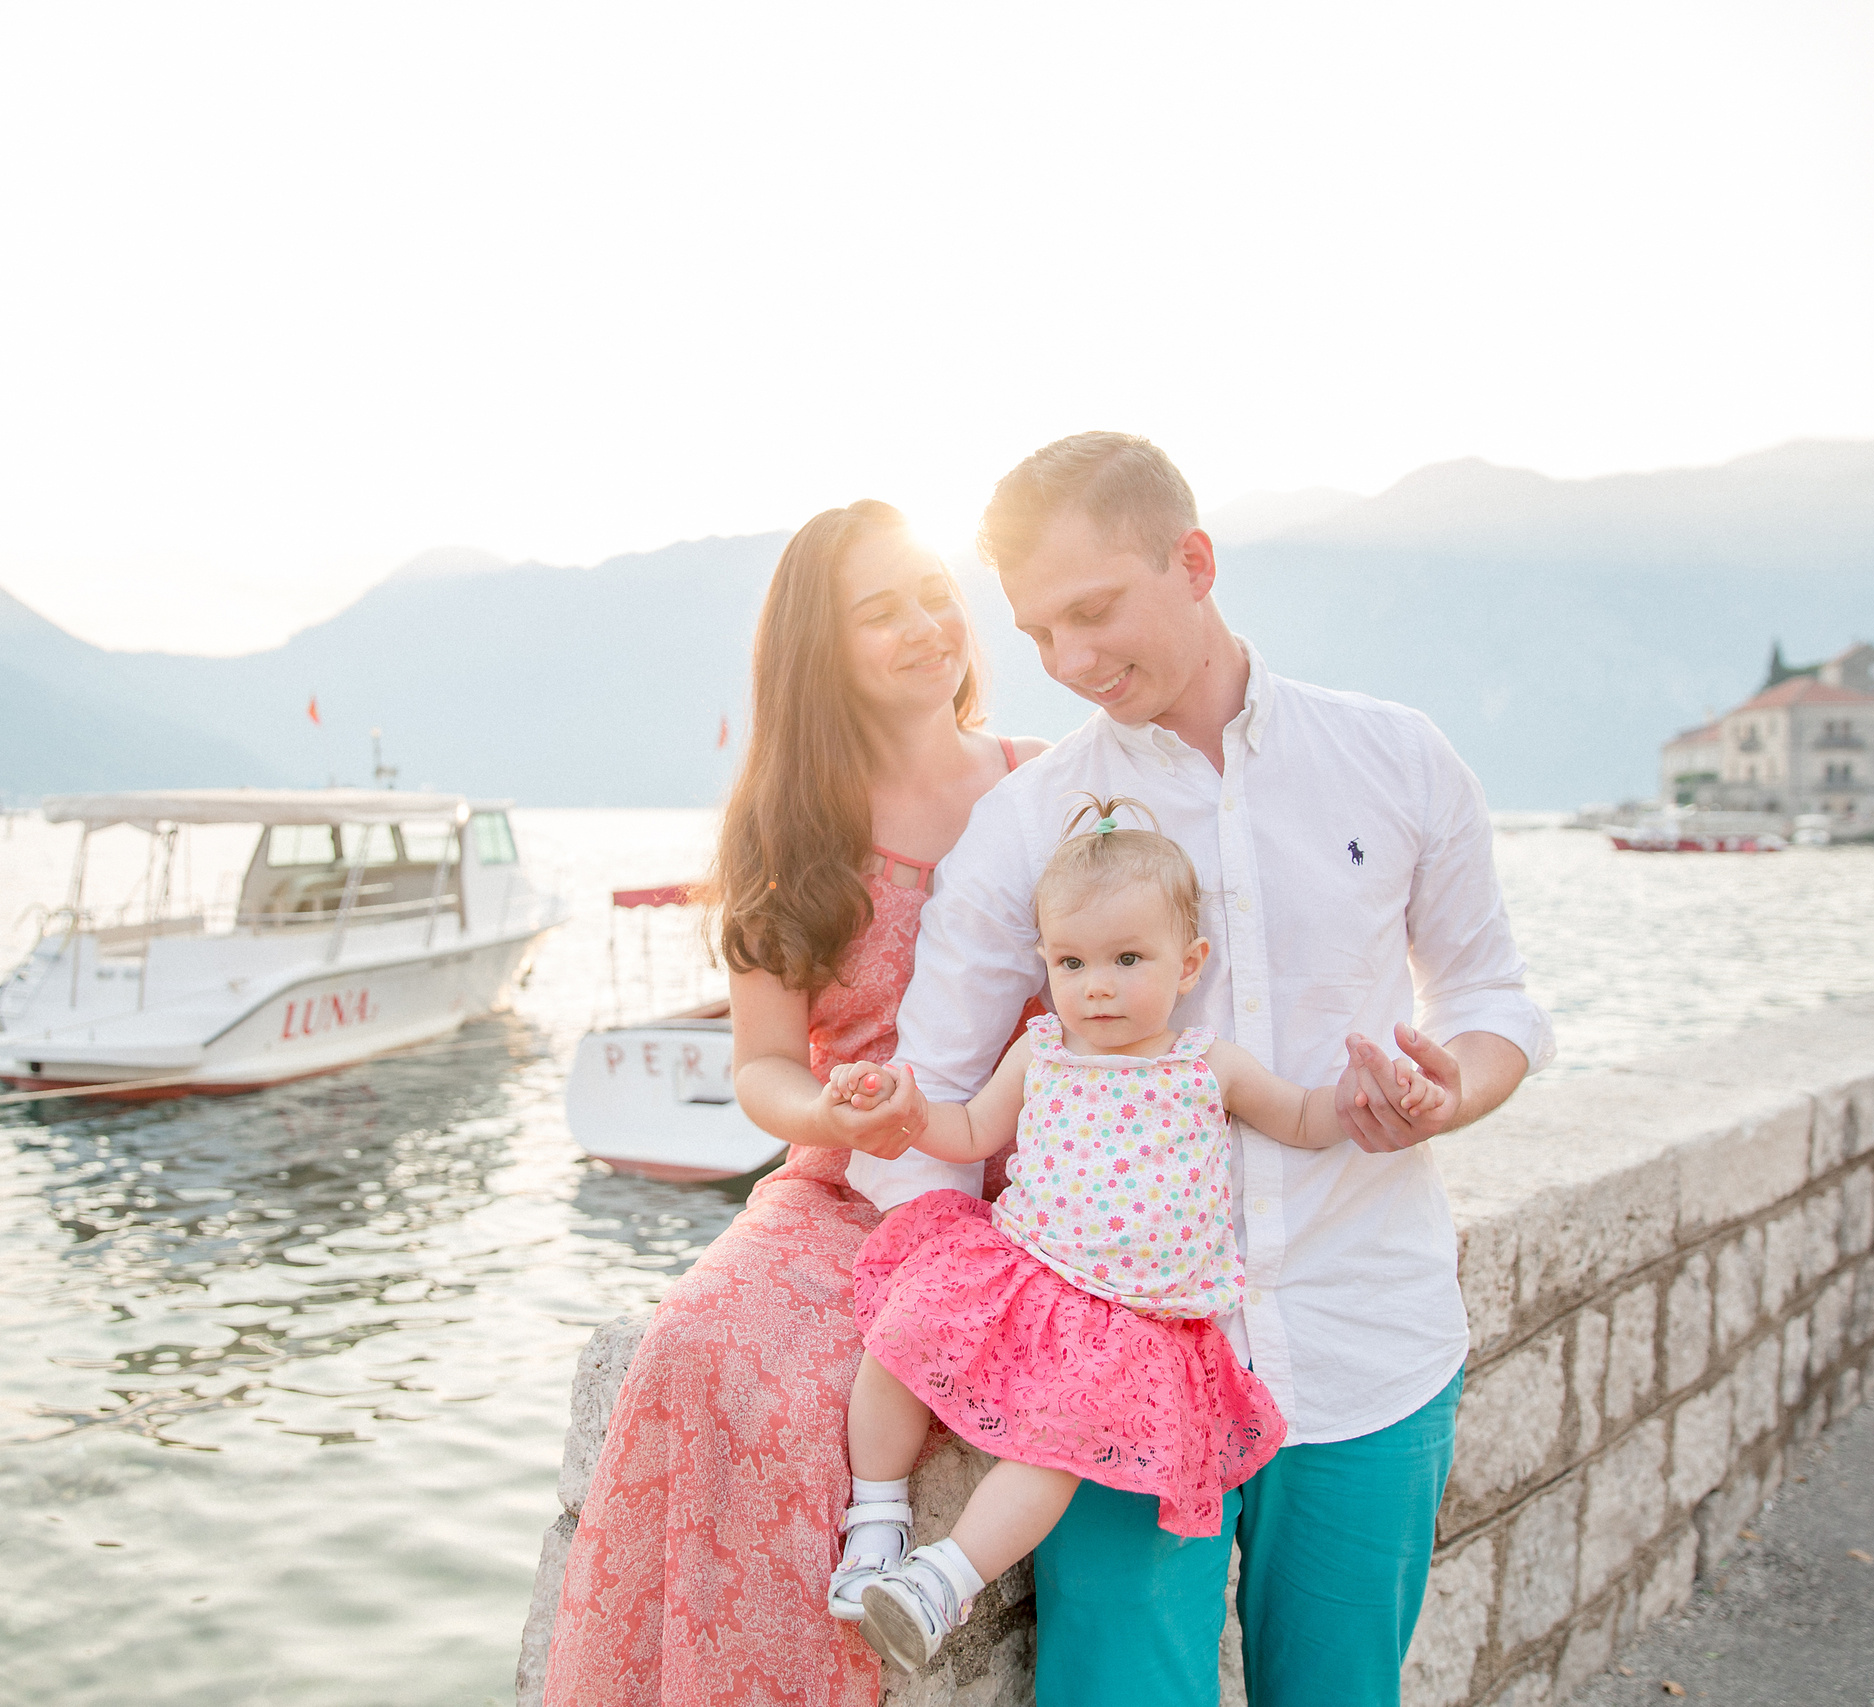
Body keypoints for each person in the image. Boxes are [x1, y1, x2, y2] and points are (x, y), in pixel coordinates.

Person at [867, 432, 1556, 1706]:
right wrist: (969, 1345)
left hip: (1370, 1338)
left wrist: (1449, 1087)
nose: (1070, 664)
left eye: (1093, 611)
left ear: (1193, 562)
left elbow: (1489, 1000)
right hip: (1111, 1388)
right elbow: (927, 1110)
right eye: (1036, 636)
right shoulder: (1024, 823)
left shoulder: (1398, 756)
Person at [542, 498, 1049, 1707]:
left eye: (933, 594)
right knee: (696, 1355)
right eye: (880, 613)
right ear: (820, 651)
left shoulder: (1047, 789)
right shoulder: (789, 829)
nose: (926, 627)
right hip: (853, 1187)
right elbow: (765, 1065)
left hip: (1040, 1188)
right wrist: (838, 1115)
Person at [817, 798, 1449, 1675]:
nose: (1098, 985)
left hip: (1132, 1323)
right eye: (1072, 961)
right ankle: (875, 1521)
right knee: (901, 1335)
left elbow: (1302, 1115)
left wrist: (1365, 1097)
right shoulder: (1042, 1050)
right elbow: (968, 1134)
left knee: (1061, 1443)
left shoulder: (1206, 1064)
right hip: (1026, 1272)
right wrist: (910, 1109)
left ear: (1188, 964)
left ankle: (942, 1580)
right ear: (1046, 965)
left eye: (1127, 958)